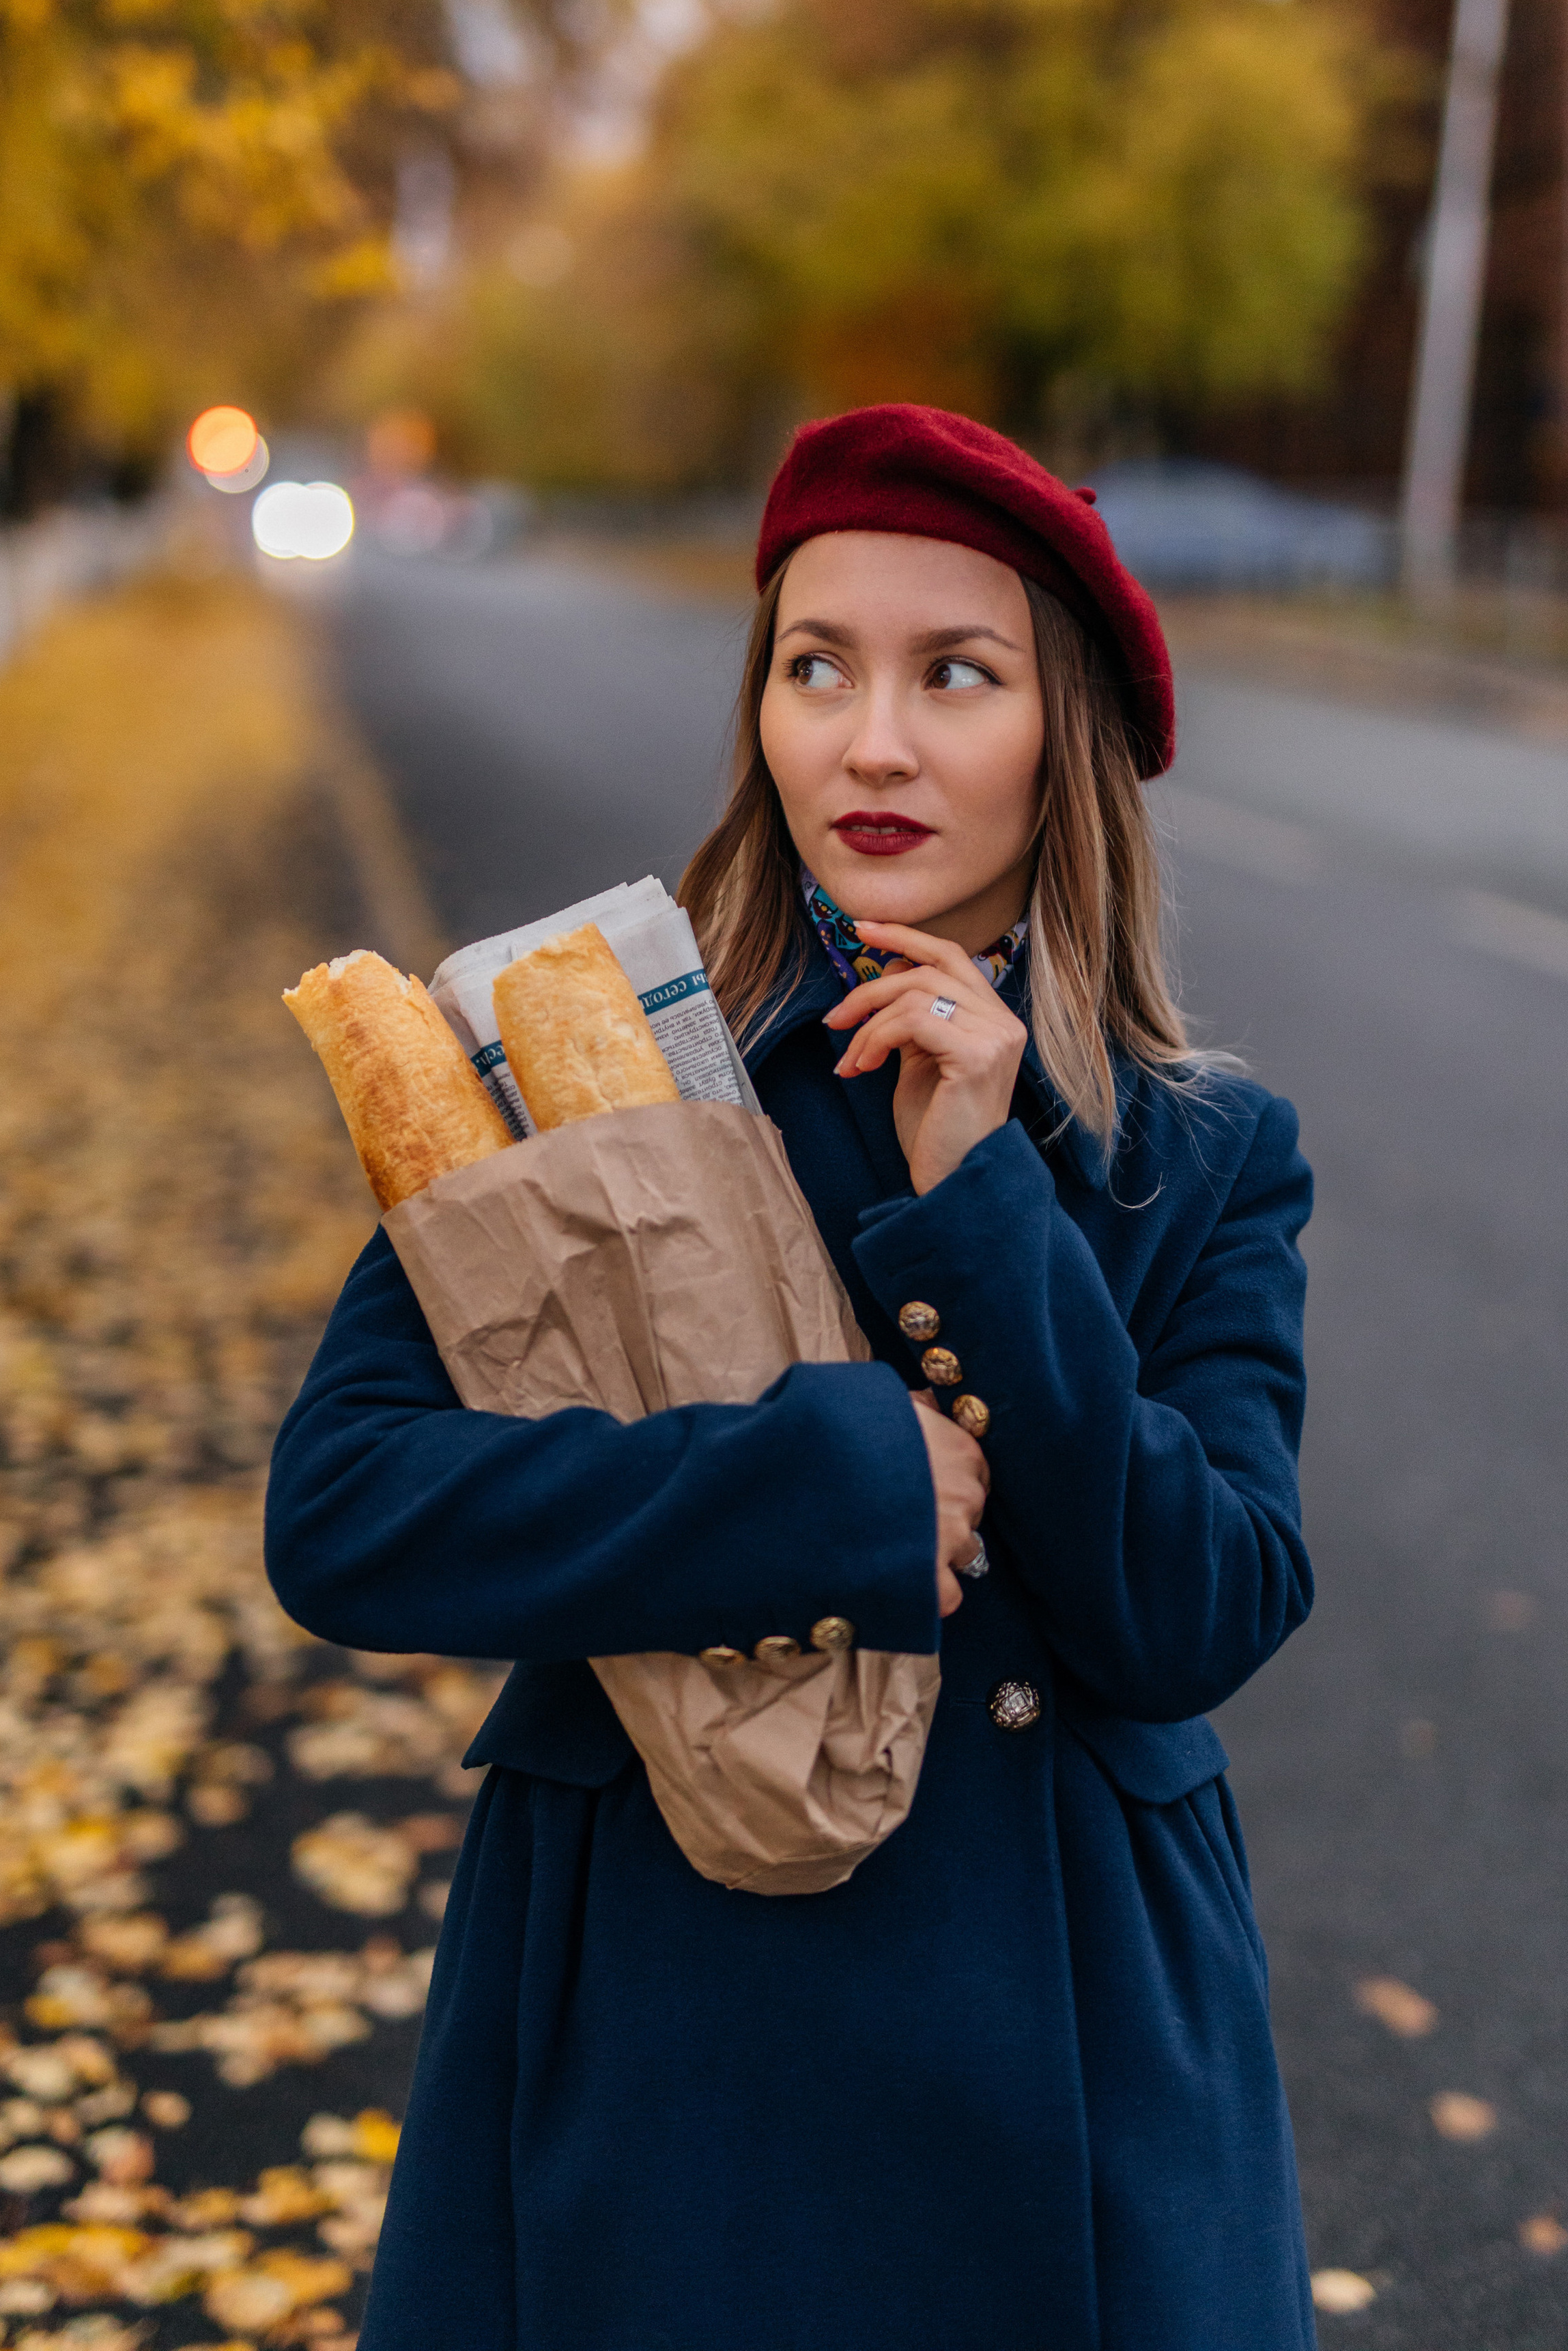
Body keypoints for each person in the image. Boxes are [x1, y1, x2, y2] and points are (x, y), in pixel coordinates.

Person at [266, 402, 1317, 2351]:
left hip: (1070, 2051)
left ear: (1061, 737)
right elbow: (347, 1514)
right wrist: (827, 1488)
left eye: (957, 675)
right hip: (669, 2021)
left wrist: (986, 1196)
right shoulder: (597, 1078)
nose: (875, 739)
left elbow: (1197, 1610)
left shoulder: (1203, 1153)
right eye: (817, 666)